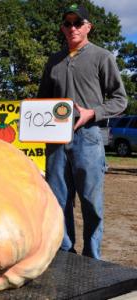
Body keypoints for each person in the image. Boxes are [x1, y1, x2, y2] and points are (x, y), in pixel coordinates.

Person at [37, 4, 127, 259]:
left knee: (90, 202)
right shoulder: (53, 61)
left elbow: (120, 100)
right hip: (55, 140)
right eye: (68, 23)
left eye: (78, 23)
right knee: (58, 200)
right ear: (62, 28)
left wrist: (92, 113)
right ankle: (66, 253)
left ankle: (92, 256)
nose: (72, 28)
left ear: (88, 27)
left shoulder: (102, 56)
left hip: (88, 138)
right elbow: (42, 101)